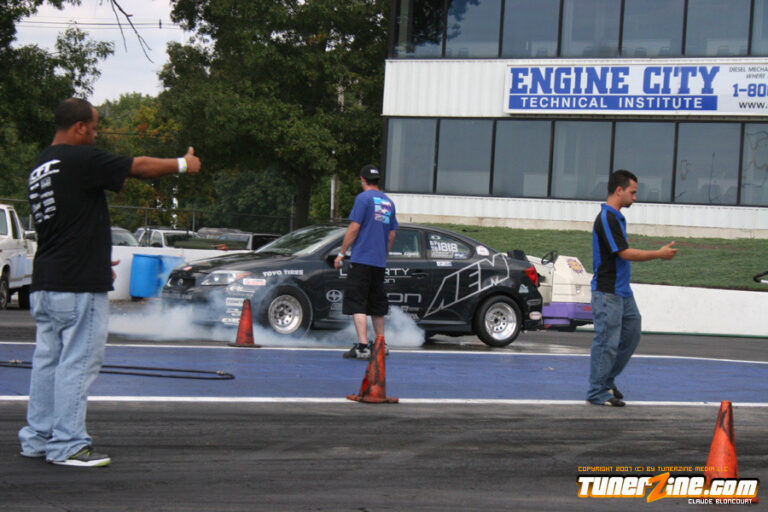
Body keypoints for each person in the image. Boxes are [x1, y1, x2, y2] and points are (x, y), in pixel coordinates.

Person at [19, 98, 201, 467]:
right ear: (80, 127)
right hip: (77, 284)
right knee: (79, 361)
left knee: (48, 361)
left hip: (48, 279)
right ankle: (68, 444)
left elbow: (68, 222)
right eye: (96, 126)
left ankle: (38, 437)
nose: (97, 133)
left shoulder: (41, 164)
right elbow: (140, 167)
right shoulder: (79, 158)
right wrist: (184, 164)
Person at [587, 170, 677, 406]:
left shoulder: (616, 217)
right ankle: (597, 391)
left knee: (631, 334)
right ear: (619, 190)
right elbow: (624, 253)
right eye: (632, 192)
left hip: (622, 292)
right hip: (608, 292)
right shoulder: (607, 217)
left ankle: (606, 380)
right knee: (607, 341)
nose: (635, 197)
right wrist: (658, 254)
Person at [334, 164, 398, 360]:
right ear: (377, 180)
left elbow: (354, 228)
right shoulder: (388, 202)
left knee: (358, 303)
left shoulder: (363, 199)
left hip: (361, 259)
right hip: (378, 262)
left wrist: (341, 253)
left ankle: (362, 346)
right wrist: (383, 253)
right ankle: (380, 344)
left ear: (362, 179)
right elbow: (392, 234)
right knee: (377, 304)